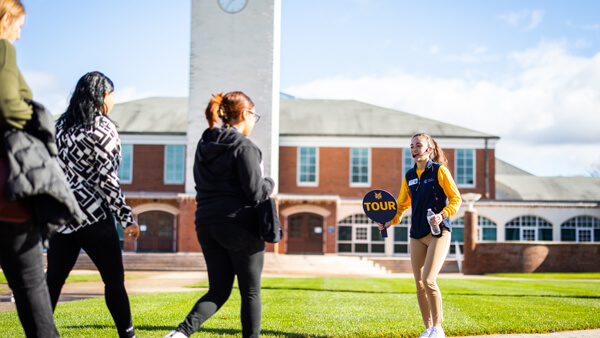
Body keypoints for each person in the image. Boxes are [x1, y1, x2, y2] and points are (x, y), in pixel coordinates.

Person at [164, 91, 274, 338]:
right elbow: (256, 192)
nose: (255, 122)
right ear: (245, 114)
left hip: (206, 224)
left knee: (218, 290)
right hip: (240, 226)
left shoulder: (204, 145)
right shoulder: (245, 147)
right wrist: (270, 182)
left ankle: (180, 334)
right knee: (250, 292)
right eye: (255, 116)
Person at [46, 71, 140, 338]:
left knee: (53, 280)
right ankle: (128, 334)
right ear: (103, 96)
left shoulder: (59, 128)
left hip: (62, 215)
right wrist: (126, 218)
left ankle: (39, 332)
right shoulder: (102, 128)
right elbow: (107, 179)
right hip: (93, 215)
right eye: (112, 96)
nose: (112, 102)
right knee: (113, 281)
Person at [0, 1, 61, 336]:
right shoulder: (2, 49)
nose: (18, 35)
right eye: (19, 26)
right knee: (31, 289)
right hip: (8, 193)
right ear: (7, 18)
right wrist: (38, 120)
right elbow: (8, 103)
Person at [379, 133, 461, 338]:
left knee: (429, 279)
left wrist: (442, 215)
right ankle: (428, 328)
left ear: (429, 149)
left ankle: (439, 328)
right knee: (419, 284)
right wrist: (390, 221)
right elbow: (402, 205)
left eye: (418, 145)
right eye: (412, 146)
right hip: (416, 234)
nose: (414, 149)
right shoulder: (409, 176)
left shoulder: (440, 171)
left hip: (438, 233)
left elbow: (455, 199)